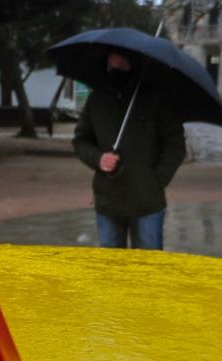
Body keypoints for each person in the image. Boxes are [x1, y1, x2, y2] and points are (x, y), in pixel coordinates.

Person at [73, 50, 187, 250]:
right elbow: (81, 140)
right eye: (112, 67)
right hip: (107, 201)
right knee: (112, 271)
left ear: (133, 65)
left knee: (147, 269)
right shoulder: (96, 100)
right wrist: (98, 158)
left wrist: (156, 180)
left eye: (122, 66)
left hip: (147, 203)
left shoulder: (157, 99)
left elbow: (176, 145)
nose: (116, 70)